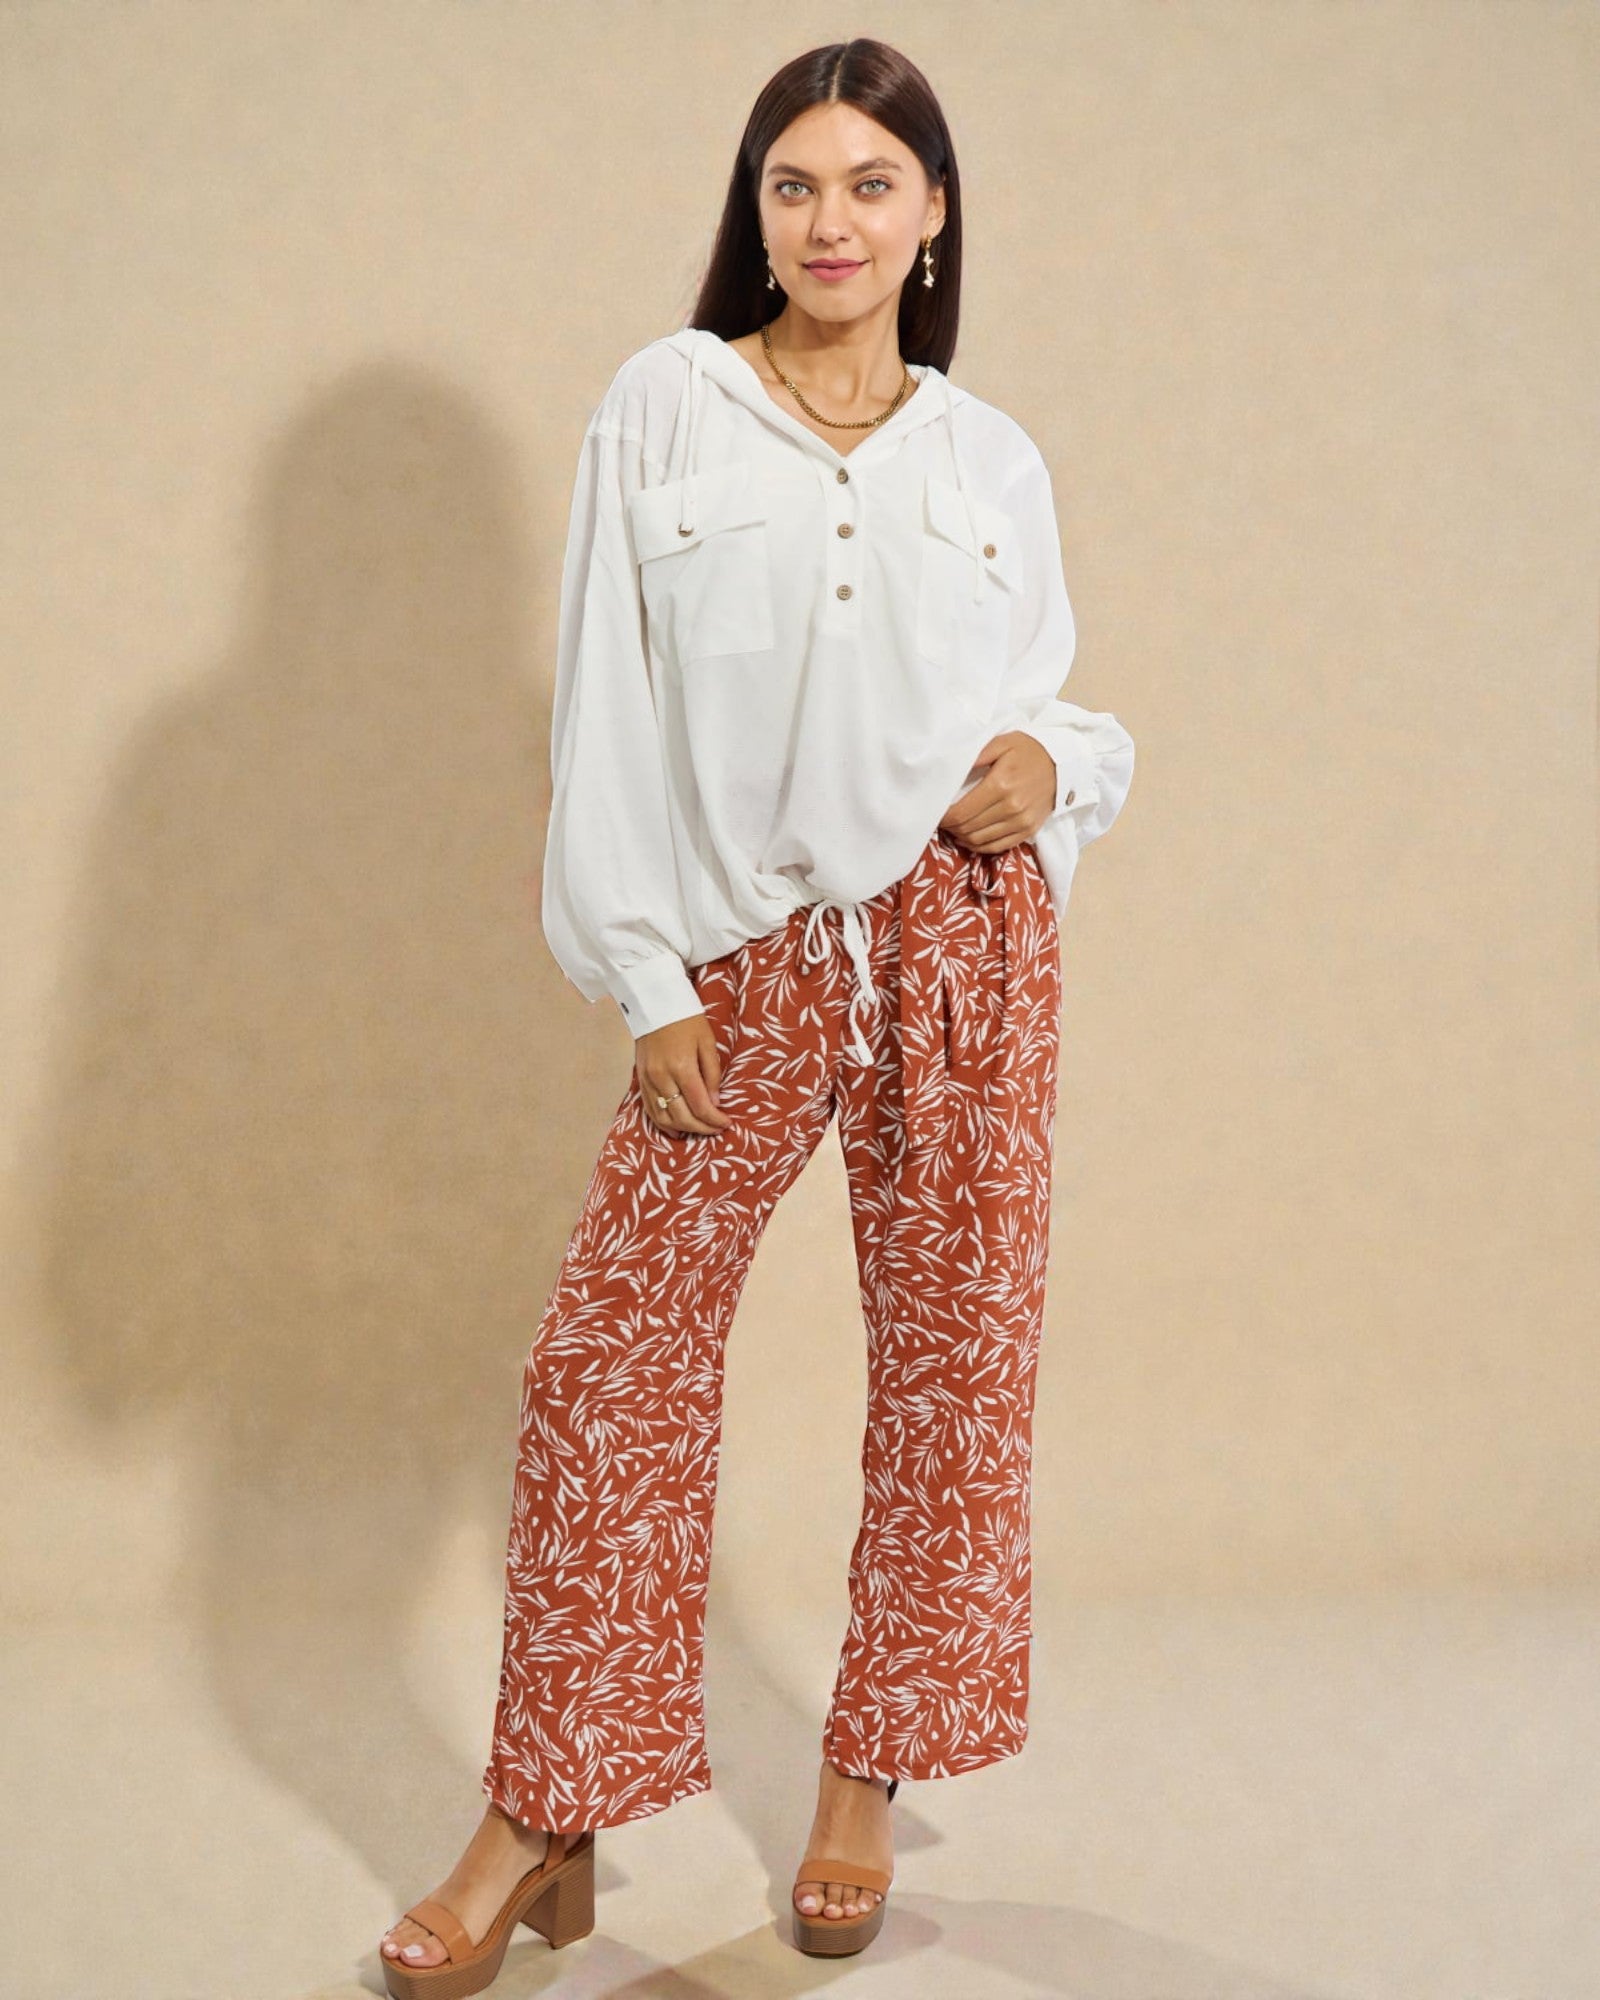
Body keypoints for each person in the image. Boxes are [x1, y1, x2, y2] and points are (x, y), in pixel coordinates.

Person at [379, 35, 1134, 1994]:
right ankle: (546, 1814)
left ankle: (867, 1770)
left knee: (955, 1369)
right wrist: (644, 975)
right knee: (604, 1372)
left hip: (962, 939)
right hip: (749, 950)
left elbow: (1046, 691)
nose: (830, 222)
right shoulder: (668, 406)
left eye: (870, 186)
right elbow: (606, 705)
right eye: (794, 185)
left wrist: (1056, 769)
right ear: (756, 207)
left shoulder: (987, 458)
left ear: (933, 215)